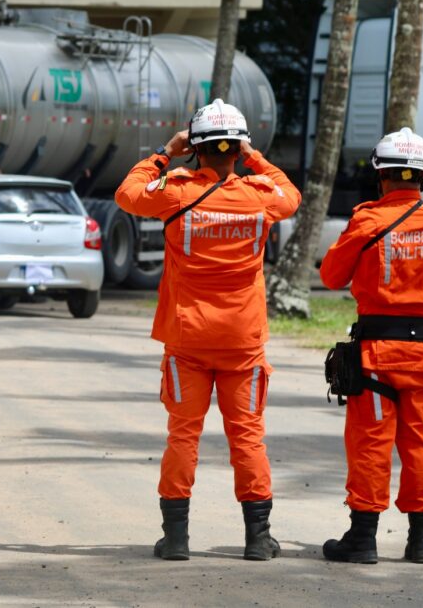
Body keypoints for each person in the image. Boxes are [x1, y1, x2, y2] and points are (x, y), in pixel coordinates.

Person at [115, 99, 301, 561]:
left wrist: (164, 152)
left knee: (183, 436)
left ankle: (176, 538)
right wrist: (253, 155)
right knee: (248, 437)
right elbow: (291, 195)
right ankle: (258, 539)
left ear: (194, 149)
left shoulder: (176, 191)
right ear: (237, 149)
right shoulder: (260, 197)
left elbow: (127, 194)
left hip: (188, 339)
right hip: (243, 340)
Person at [319, 127, 423, 565]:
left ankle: (362, 539)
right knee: (420, 446)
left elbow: (329, 277)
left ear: (380, 177)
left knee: (370, 446)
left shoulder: (368, 220)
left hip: (378, 357)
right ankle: (422, 542)